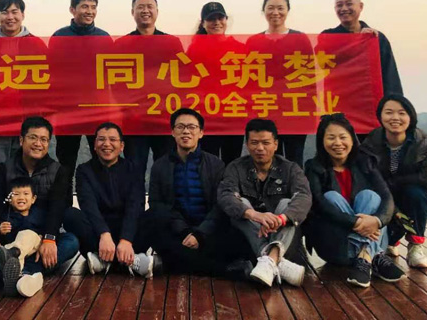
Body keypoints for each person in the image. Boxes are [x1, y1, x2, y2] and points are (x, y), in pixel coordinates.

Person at [304, 113, 404, 288]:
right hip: (336, 246)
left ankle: (364, 258)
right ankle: (372, 255)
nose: (338, 143)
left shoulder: (365, 162)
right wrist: (357, 222)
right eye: (331, 138)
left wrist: (377, 221)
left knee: (370, 196)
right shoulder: (314, 167)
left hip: (365, 238)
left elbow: (387, 198)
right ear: (322, 141)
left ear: (352, 139)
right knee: (331, 197)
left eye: (343, 137)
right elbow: (319, 205)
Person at [217, 118, 312, 287]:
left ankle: (270, 259)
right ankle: (276, 262)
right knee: (241, 204)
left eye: (266, 143)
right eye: (254, 143)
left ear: (276, 144)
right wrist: (255, 215)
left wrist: (281, 219)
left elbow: (304, 197)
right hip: (248, 238)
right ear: (247, 145)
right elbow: (226, 196)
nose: (260, 148)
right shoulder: (236, 167)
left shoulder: (290, 168)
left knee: (286, 204)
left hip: (283, 234)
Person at [0, 117, 79, 279]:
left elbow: (57, 208)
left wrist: (49, 239)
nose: (38, 144)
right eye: (33, 137)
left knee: (71, 242)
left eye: (43, 139)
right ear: (21, 140)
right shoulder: (4, 169)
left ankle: (7, 270)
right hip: (9, 233)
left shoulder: (57, 171)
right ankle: (25, 272)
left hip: (39, 236)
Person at [143, 108, 231, 276]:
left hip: (207, 231)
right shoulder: (160, 166)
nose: (186, 132)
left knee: (231, 225)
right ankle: (222, 269)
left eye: (191, 127)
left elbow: (220, 205)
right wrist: (185, 231)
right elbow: (157, 204)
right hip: (177, 232)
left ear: (201, 133)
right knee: (151, 218)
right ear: (172, 132)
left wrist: (200, 234)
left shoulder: (216, 164)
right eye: (180, 127)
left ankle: (169, 263)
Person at [0, 0, 48, 191]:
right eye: (5, 12)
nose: (10, 17)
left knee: (26, 179)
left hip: (27, 125)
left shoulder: (36, 45)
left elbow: (47, 86)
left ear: (22, 15)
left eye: (15, 12)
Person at [63, 122, 153, 277]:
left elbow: (135, 206)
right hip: (98, 236)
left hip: (128, 234)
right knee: (70, 214)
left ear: (122, 146)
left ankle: (106, 261)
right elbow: (88, 206)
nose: (107, 144)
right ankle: (130, 261)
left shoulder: (133, 169)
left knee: (156, 213)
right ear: (94, 145)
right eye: (101, 139)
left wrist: (126, 239)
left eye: (112, 140)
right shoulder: (84, 170)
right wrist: (104, 234)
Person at [361, 95, 427, 269]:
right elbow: (366, 175)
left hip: (409, 193)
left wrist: (395, 182)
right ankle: (390, 241)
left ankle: (415, 246)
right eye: (389, 112)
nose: (395, 118)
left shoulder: (422, 142)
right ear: (380, 116)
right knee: (372, 197)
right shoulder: (372, 141)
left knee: (416, 194)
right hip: (382, 192)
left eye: (401, 113)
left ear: (411, 117)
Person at [248, 0, 313, 167]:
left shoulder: (300, 39)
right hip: (265, 108)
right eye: (270, 8)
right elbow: (248, 79)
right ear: (263, 11)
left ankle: (295, 186)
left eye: (280, 8)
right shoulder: (254, 41)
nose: (275, 12)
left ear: (287, 10)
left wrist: (309, 112)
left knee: (294, 158)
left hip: (294, 110)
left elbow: (309, 77)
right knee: (267, 158)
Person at [51, 0, 110, 182]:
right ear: (72, 9)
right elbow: (52, 73)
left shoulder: (104, 38)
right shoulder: (60, 37)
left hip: (97, 109)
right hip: (67, 110)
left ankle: (100, 199)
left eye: (93, 7)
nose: (89, 11)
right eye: (84, 6)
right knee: (65, 162)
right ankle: (64, 200)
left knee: (101, 157)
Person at [118, 0, 177, 177]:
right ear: (132, 12)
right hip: (134, 120)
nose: (145, 11)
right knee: (134, 170)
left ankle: (162, 198)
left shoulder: (171, 43)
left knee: (166, 170)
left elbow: (183, 77)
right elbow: (115, 84)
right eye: (140, 7)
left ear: (157, 11)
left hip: (164, 118)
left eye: (149, 7)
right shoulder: (122, 44)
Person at [187, 1, 245, 164]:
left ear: (226, 20)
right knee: (208, 162)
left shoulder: (240, 48)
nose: (217, 22)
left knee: (232, 162)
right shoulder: (194, 50)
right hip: (207, 116)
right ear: (203, 23)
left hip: (233, 113)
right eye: (211, 19)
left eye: (220, 18)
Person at [321, 0, 403, 97]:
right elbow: (320, 65)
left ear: (360, 6)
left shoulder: (376, 38)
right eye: (339, 5)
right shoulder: (327, 36)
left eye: (349, 4)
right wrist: (358, 41)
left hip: (370, 99)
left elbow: (389, 74)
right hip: (338, 98)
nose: (344, 9)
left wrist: (394, 101)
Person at [0, 178, 46, 297]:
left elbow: (46, 229)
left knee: (28, 234)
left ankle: (12, 254)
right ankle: (15, 278)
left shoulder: (39, 214)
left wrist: (43, 238)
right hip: (18, 255)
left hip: (34, 248)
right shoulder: (6, 216)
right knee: (10, 254)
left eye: (26, 194)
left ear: (33, 199)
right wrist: (1, 231)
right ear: (10, 199)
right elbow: (3, 240)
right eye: (16, 194)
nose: (21, 197)